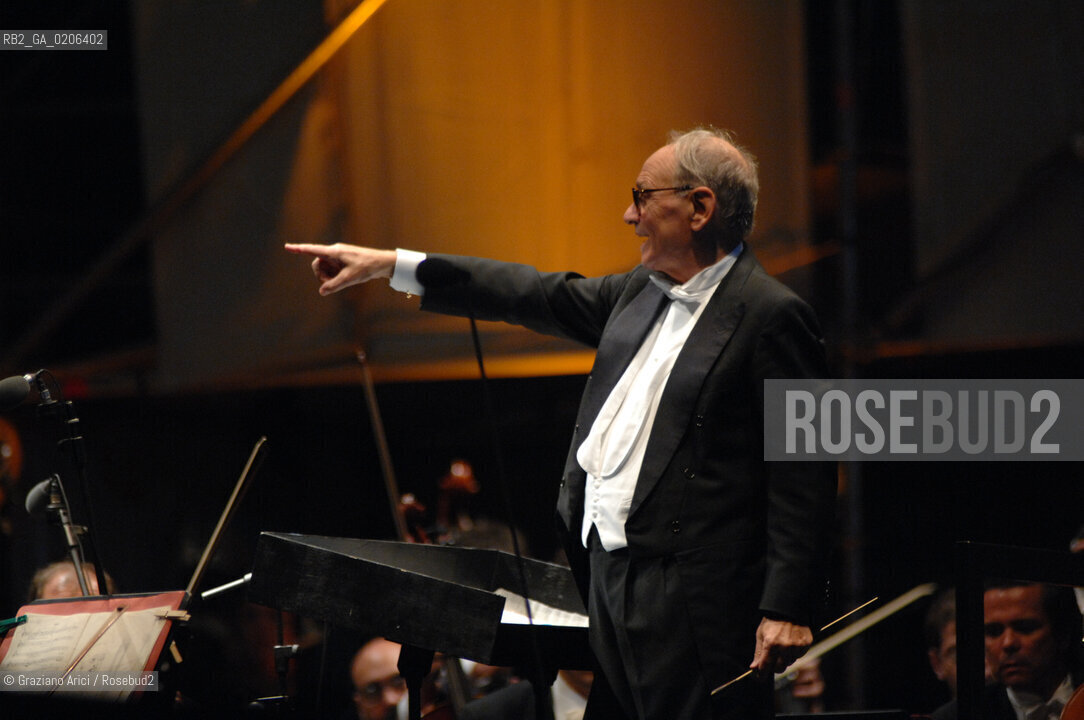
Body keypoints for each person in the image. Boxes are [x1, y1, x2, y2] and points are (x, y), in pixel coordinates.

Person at [287, 127, 836, 720]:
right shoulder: (638, 294)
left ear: (700, 207)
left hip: (693, 603)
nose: (630, 214)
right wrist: (392, 266)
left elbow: (803, 471)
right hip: (606, 586)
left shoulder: (773, 316)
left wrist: (788, 606)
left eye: (643, 196)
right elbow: (532, 292)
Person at [931, 582, 1082, 720]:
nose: (1008, 643)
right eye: (994, 631)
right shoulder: (955, 716)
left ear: (1062, 634)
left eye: (1025, 628)